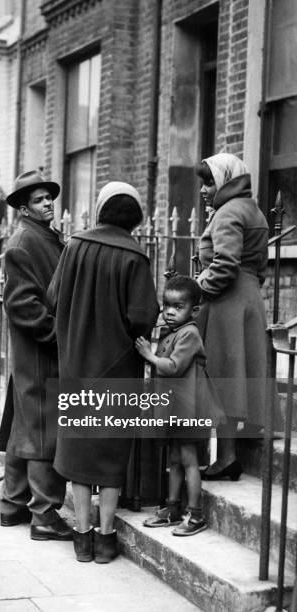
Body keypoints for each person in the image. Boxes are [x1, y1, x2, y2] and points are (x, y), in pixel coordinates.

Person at [48, 182, 159, 563]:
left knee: (79, 448)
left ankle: (81, 537)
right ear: (136, 217)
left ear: (101, 209)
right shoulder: (136, 258)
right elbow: (142, 317)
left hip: (77, 362)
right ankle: (106, 538)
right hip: (117, 368)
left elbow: (52, 298)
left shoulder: (75, 246)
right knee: (111, 451)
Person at [0, 170, 72, 541]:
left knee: (25, 421)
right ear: (24, 208)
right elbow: (21, 304)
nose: (48, 204)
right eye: (40, 200)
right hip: (41, 348)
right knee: (45, 422)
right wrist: (57, 334)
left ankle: (12, 503)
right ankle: (44, 513)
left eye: (49, 198)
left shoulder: (43, 237)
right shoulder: (24, 242)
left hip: (37, 349)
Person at [194, 152, 269, 480]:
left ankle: (224, 458)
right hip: (249, 299)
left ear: (226, 181)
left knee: (220, 380)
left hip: (226, 302)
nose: (203, 190)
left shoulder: (227, 213)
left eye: (209, 182)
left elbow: (224, 265)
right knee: (236, 377)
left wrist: (198, 288)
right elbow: (261, 267)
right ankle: (228, 455)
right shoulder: (255, 211)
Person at [135, 275, 225, 536]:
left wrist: (149, 356)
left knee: (188, 460)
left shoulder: (190, 334)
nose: (170, 312)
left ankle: (195, 515)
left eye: (178, 307)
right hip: (175, 409)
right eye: (167, 306)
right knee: (174, 458)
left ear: (194, 310)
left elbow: (174, 367)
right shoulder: (173, 332)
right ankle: (173, 508)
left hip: (190, 410)